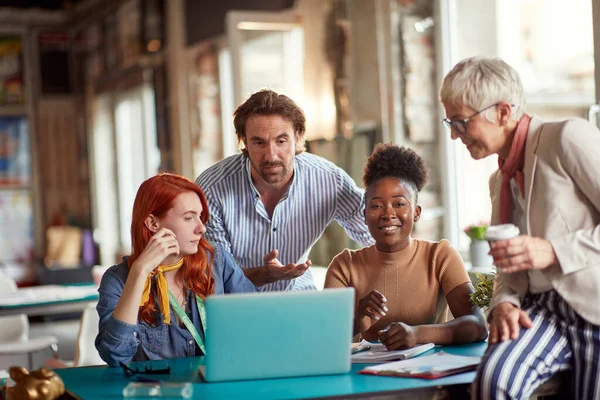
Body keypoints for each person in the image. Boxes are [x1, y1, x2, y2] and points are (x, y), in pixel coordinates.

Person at [440, 56, 600, 399]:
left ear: (501, 112)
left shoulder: (567, 137)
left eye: (461, 122)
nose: (454, 135)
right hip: (542, 311)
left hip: (595, 307)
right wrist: (504, 303)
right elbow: (508, 266)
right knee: (493, 382)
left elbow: (543, 252)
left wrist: (553, 250)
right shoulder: (499, 179)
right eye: (450, 123)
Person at [195, 89, 374, 291]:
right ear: (244, 141)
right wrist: (264, 274)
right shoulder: (212, 189)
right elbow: (215, 278)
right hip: (238, 306)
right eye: (259, 142)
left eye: (281, 141)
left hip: (300, 302)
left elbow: (375, 235)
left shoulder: (328, 179)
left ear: (297, 137)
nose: (271, 155)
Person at [324, 143, 487, 348]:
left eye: (399, 204)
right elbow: (324, 337)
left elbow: (477, 326)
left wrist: (418, 335)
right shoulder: (344, 265)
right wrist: (358, 322)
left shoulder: (439, 256)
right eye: (376, 206)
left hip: (427, 374)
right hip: (364, 375)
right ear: (364, 215)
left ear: (416, 213)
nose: (387, 214)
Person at [95, 173, 257, 367]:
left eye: (200, 217)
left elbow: (255, 321)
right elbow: (115, 356)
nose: (201, 228)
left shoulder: (216, 260)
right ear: (153, 223)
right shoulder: (118, 279)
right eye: (189, 218)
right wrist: (140, 271)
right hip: (157, 394)